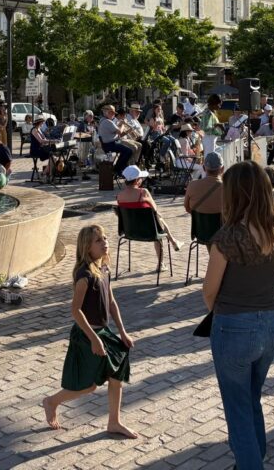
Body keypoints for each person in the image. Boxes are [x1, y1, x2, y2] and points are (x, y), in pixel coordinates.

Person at [203, 161, 274, 469]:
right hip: (268, 324)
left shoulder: (227, 238)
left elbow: (209, 292)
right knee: (250, 399)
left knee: (238, 409)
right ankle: (252, 458)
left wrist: (219, 314)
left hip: (233, 325)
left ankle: (251, 463)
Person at [42, 224, 137, 438]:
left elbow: (111, 302)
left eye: (105, 238)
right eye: (98, 240)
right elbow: (75, 310)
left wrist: (122, 332)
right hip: (86, 336)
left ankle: (114, 422)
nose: (105, 242)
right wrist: (94, 339)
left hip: (103, 333)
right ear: (87, 247)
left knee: (116, 374)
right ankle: (51, 401)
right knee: (88, 386)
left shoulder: (104, 269)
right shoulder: (84, 275)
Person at [116, 165, 182, 259]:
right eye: (141, 178)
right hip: (149, 231)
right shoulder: (143, 192)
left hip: (129, 232)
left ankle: (174, 241)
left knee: (156, 219)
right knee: (157, 219)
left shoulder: (119, 196)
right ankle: (163, 259)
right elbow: (155, 209)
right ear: (137, 180)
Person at [183, 151, 223, 216]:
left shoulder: (192, 185)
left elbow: (187, 208)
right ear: (222, 169)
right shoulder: (227, 187)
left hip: (199, 222)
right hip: (221, 222)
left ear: (204, 168)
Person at [98, 106, 132, 175]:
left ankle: (120, 168)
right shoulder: (107, 121)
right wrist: (123, 124)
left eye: (113, 113)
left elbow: (116, 131)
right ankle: (117, 169)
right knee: (128, 151)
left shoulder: (104, 120)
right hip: (109, 145)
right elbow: (119, 132)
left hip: (110, 144)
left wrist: (122, 127)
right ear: (107, 113)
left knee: (126, 150)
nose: (113, 115)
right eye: (111, 113)